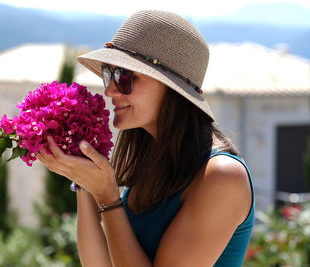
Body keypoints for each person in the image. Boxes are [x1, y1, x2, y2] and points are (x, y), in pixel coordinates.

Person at [37, 10, 254, 267]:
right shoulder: (151, 162)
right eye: (109, 74)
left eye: (124, 77)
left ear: (172, 88)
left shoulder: (222, 176)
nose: (109, 90)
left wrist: (108, 198)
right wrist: (84, 181)